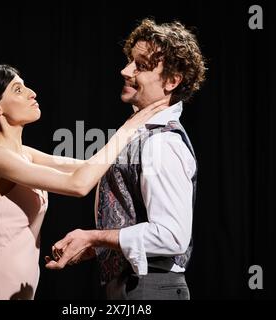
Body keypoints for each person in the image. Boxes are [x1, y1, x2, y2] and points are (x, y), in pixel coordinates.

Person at [0, 64, 169, 300]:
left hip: (18, 289)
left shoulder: (24, 154)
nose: (32, 92)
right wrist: (128, 128)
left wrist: (148, 154)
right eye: (18, 90)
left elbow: (88, 168)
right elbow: (78, 184)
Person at [45, 18, 206, 300]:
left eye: (140, 66)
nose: (125, 70)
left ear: (172, 81)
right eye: (130, 61)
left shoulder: (164, 142)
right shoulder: (141, 134)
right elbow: (132, 217)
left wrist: (93, 236)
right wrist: (95, 247)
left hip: (151, 288)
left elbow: (172, 236)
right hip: (130, 287)